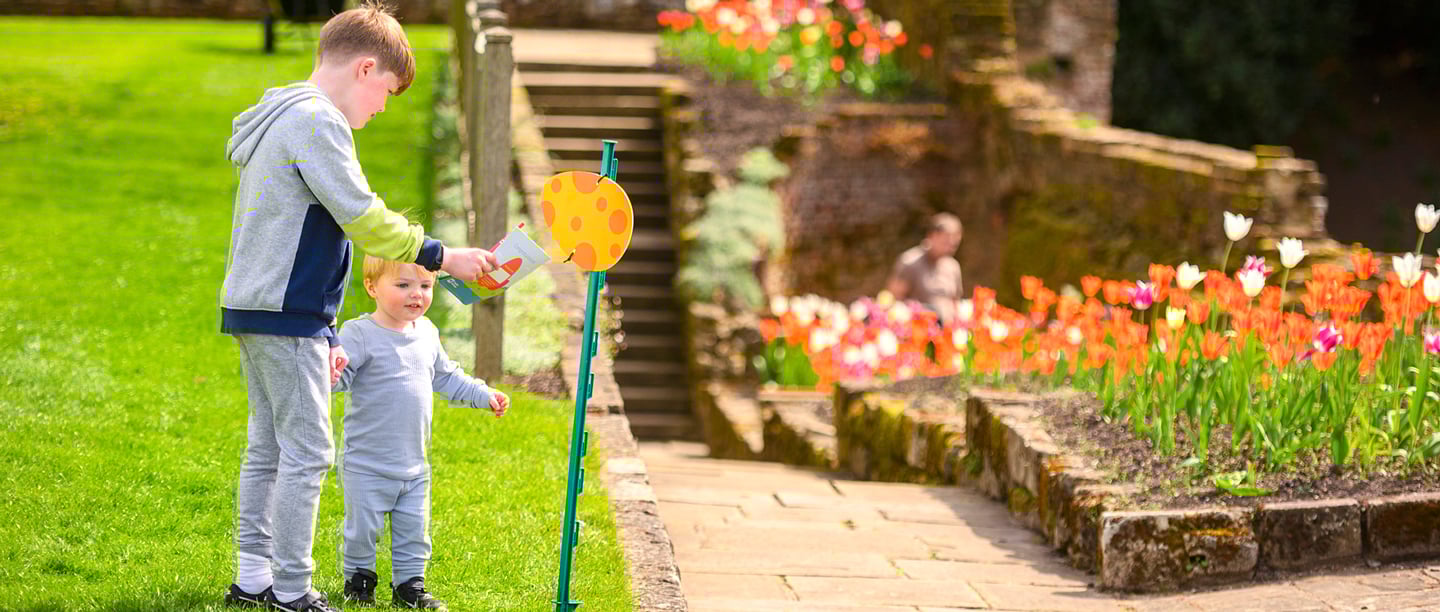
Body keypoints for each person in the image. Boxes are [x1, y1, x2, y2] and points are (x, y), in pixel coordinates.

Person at [220, 3, 498, 610]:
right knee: (308, 452)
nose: (382, 108)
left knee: (269, 447)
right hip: (287, 309)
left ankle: (253, 578)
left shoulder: (285, 112)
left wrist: (326, 330)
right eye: (387, 93)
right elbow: (362, 216)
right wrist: (442, 255)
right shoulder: (318, 121)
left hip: (257, 306)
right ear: (366, 69)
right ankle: (291, 589)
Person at [333, 256, 509, 610]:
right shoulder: (359, 334)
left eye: (426, 286)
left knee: (414, 529)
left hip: (414, 466)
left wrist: (483, 394)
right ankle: (359, 579)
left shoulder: (426, 332)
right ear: (372, 287)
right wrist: (329, 372)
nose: (417, 294)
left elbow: (446, 376)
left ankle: (410, 585)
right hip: (365, 464)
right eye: (403, 285)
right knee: (362, 529)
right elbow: (340, 377)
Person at [886, 213, 964, 324]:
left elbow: (955, 303)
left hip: (946, 330)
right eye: (945, 242)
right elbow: (893, 301)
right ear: (931, 236)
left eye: (954, 244)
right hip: (917, 328)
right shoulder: (910, 262)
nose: (950, 248)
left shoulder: (953, 266)